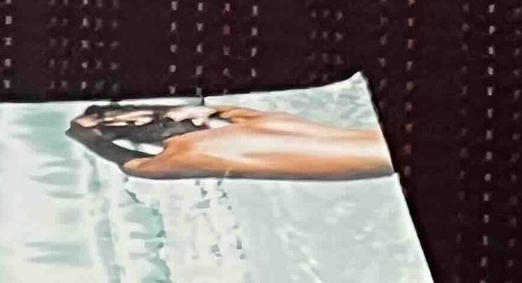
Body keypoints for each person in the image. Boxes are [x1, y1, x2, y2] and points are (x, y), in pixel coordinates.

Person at [68, 99, 394, 180]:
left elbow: (126, 162)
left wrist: (86, 135)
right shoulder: (254, 119)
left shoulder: (178, 156)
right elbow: (198, 110)